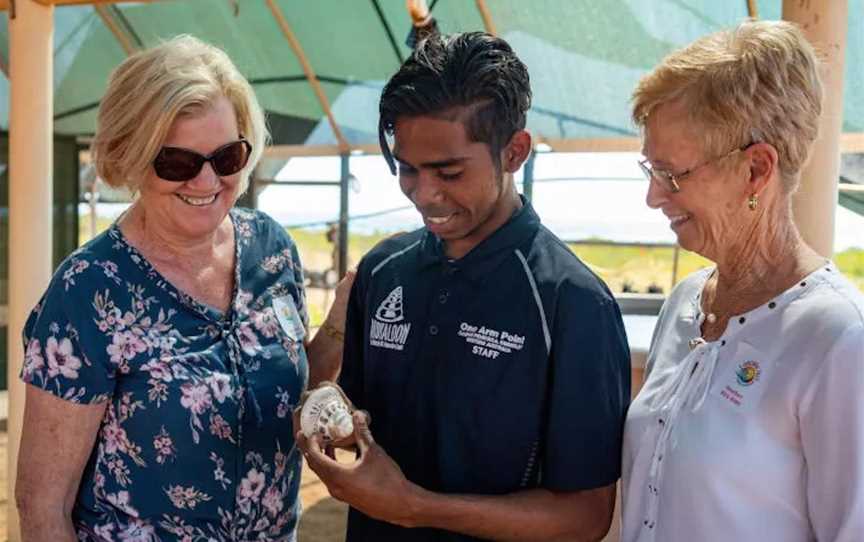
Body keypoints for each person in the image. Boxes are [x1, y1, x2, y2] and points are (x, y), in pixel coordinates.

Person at [299, 31, 631, 541]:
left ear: (515, 151)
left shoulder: (572, 302)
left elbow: (585, 515)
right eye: (406, 169)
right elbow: (356, 421)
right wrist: (329, 421)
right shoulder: (384, 271)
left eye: (448, 172)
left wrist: (416, 508)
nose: (424, 194)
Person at [16, 35, 351, 541]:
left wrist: (343, 321)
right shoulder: (89, 291)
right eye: (178, 163)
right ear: (131, 156)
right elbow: (43, 505)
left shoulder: (271, 248)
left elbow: (282, 388)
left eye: (227, 156)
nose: (206, 180)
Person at [622, 20, 864, 542]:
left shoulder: (838, 339)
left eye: (672, 175)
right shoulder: (686, 301)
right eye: (651, 170)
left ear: (756, 170)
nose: (654, 197)